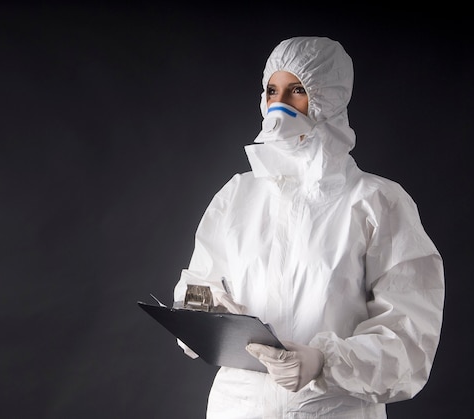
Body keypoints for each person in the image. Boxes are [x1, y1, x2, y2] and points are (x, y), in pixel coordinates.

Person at [172, 36, 445, 418]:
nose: (279, 104)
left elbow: (409, 338)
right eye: (272, 90)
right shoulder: (237, 196)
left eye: (296, 90)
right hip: (238, 407)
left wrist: (322, 362)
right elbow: (197, 286)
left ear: (328, 97)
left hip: (331, 409)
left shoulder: (376, 202)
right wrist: (207, 312)